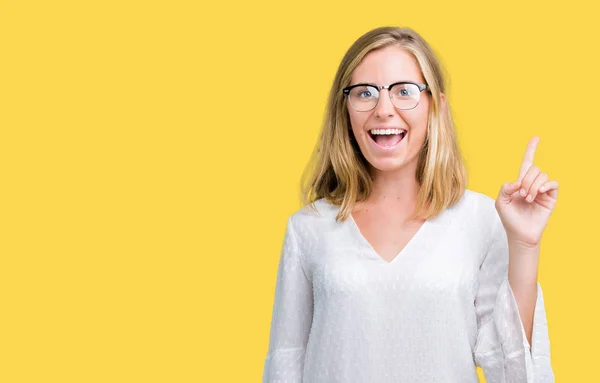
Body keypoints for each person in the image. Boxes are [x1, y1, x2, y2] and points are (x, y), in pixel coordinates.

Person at [262, 26, 557, 383]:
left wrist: (525, 246)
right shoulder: (308, 227)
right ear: (346, 109)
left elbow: (513, 371)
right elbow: (285, 363)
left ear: (436, 105)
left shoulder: (481, 221)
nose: (384, 109)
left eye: (405, 91)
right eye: (365, 93)